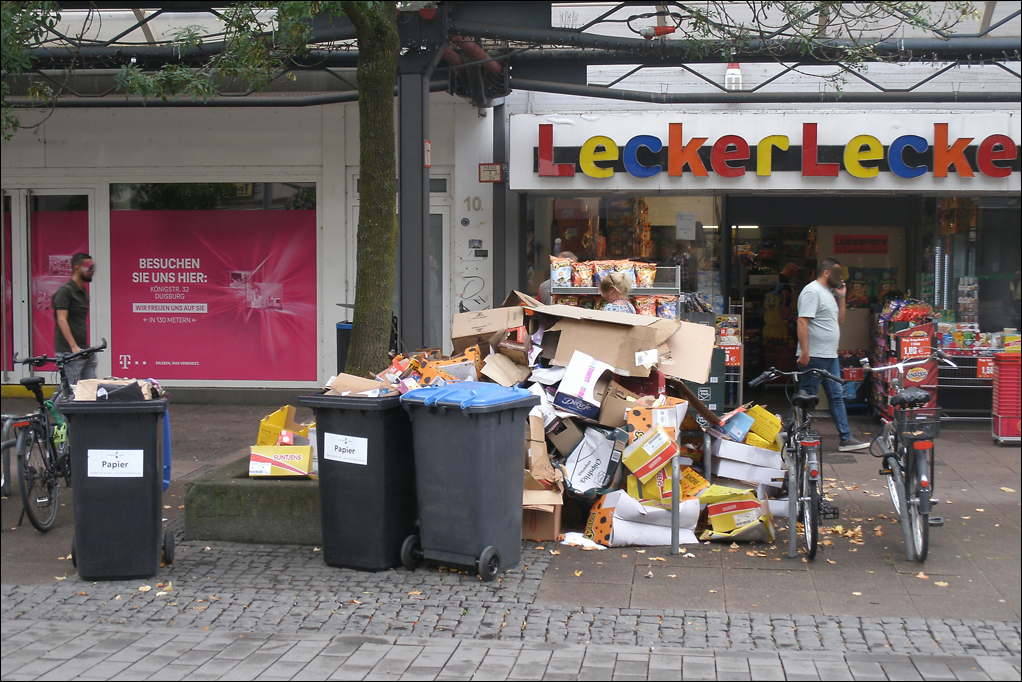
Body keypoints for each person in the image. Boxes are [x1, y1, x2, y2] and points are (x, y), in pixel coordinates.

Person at [796, 257, 868, 452]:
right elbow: (802, 322)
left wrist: (842, 296)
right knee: (806, 397)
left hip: (829, 355)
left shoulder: (828, 293)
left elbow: (840, 319)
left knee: (836, 396)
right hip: (815, 355)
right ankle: (792, 433)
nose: (840, 278)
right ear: (826, 273)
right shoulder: (812, 291)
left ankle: (846, 438)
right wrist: (804, 352)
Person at [52, 252, 97, 385]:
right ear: (77, 268)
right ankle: (52, 407)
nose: (92, 271)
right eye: (89, 267)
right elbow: (61, 319)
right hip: (69, 352)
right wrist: (73, 346)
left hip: (83, 349)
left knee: (89, 389)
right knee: (69, 392)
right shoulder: (65, 291)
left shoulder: (83, 293)